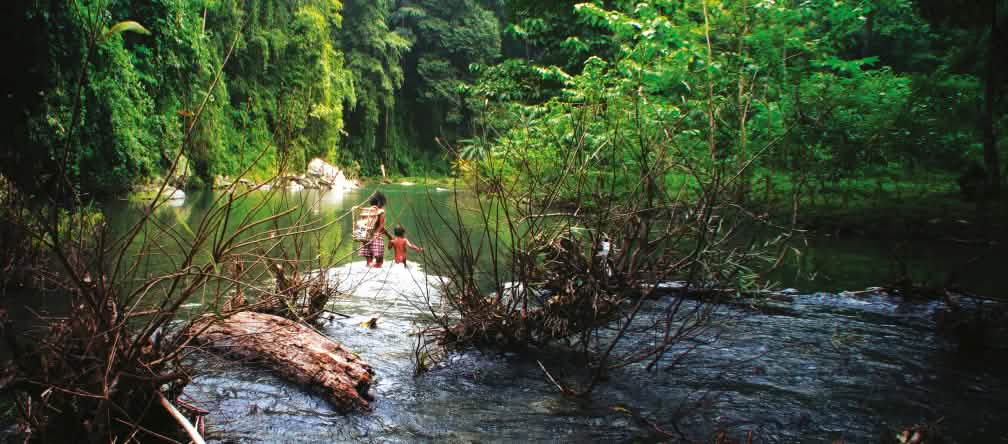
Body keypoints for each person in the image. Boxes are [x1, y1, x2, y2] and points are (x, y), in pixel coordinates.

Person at [359, 192, 392, 268]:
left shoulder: (365, 211)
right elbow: (381, 226)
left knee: (369, 263)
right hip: (376, 238)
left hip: (365, 238)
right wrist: (389, 236)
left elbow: (361, 224)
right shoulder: (380, 211)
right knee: (379, 263)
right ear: (380, 203)